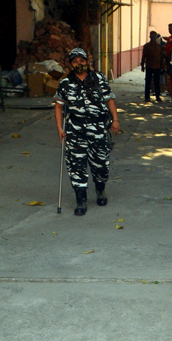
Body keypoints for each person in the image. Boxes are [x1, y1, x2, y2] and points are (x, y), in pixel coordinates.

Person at [53, 48, 121, 216]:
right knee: (76, 166)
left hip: (97, 128)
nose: (79, 64)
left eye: (81, 61)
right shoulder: (65, 83)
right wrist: (60, 128)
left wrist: (115, 120)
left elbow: (109, 99)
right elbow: (59, 105)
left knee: (101, 164)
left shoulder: (99, 79)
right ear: (71, 64)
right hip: (75, 130)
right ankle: (81, 200)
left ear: (87, 61)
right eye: (75, 61)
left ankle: (100, 189)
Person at [141, 31, 164, 102]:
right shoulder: (147, 46)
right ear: (150, 37)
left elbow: (161, 57)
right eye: (152, 36)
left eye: (154, 36)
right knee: (148, 82)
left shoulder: (159, 47)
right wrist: (142, 65)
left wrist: (162, 66)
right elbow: (144, 56)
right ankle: (147, 97)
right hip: (149, 66)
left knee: (157, 82)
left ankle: (157, 96)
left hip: (157, 67)